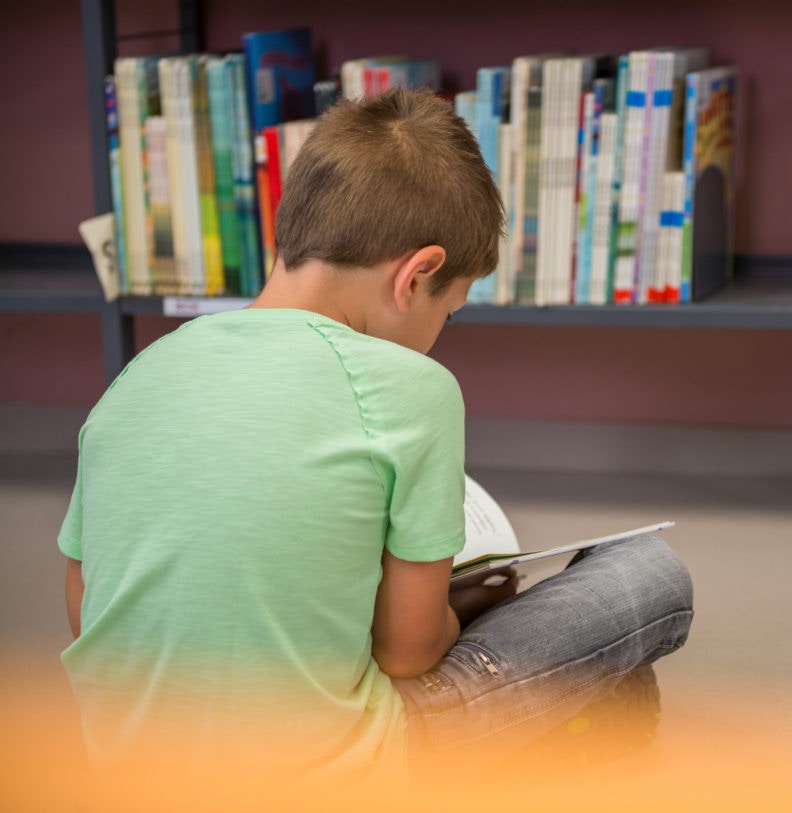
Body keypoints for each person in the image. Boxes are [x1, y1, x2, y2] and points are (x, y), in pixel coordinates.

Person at [58, 87, 693, 800]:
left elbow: (88, 608)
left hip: (127, 774)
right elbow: (407, 655)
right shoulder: (412, 388)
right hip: (326, 780)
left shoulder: (138, 376)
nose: (442, 331)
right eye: (449, 311)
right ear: (415, 276)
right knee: (647, 573)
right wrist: (462, 610)